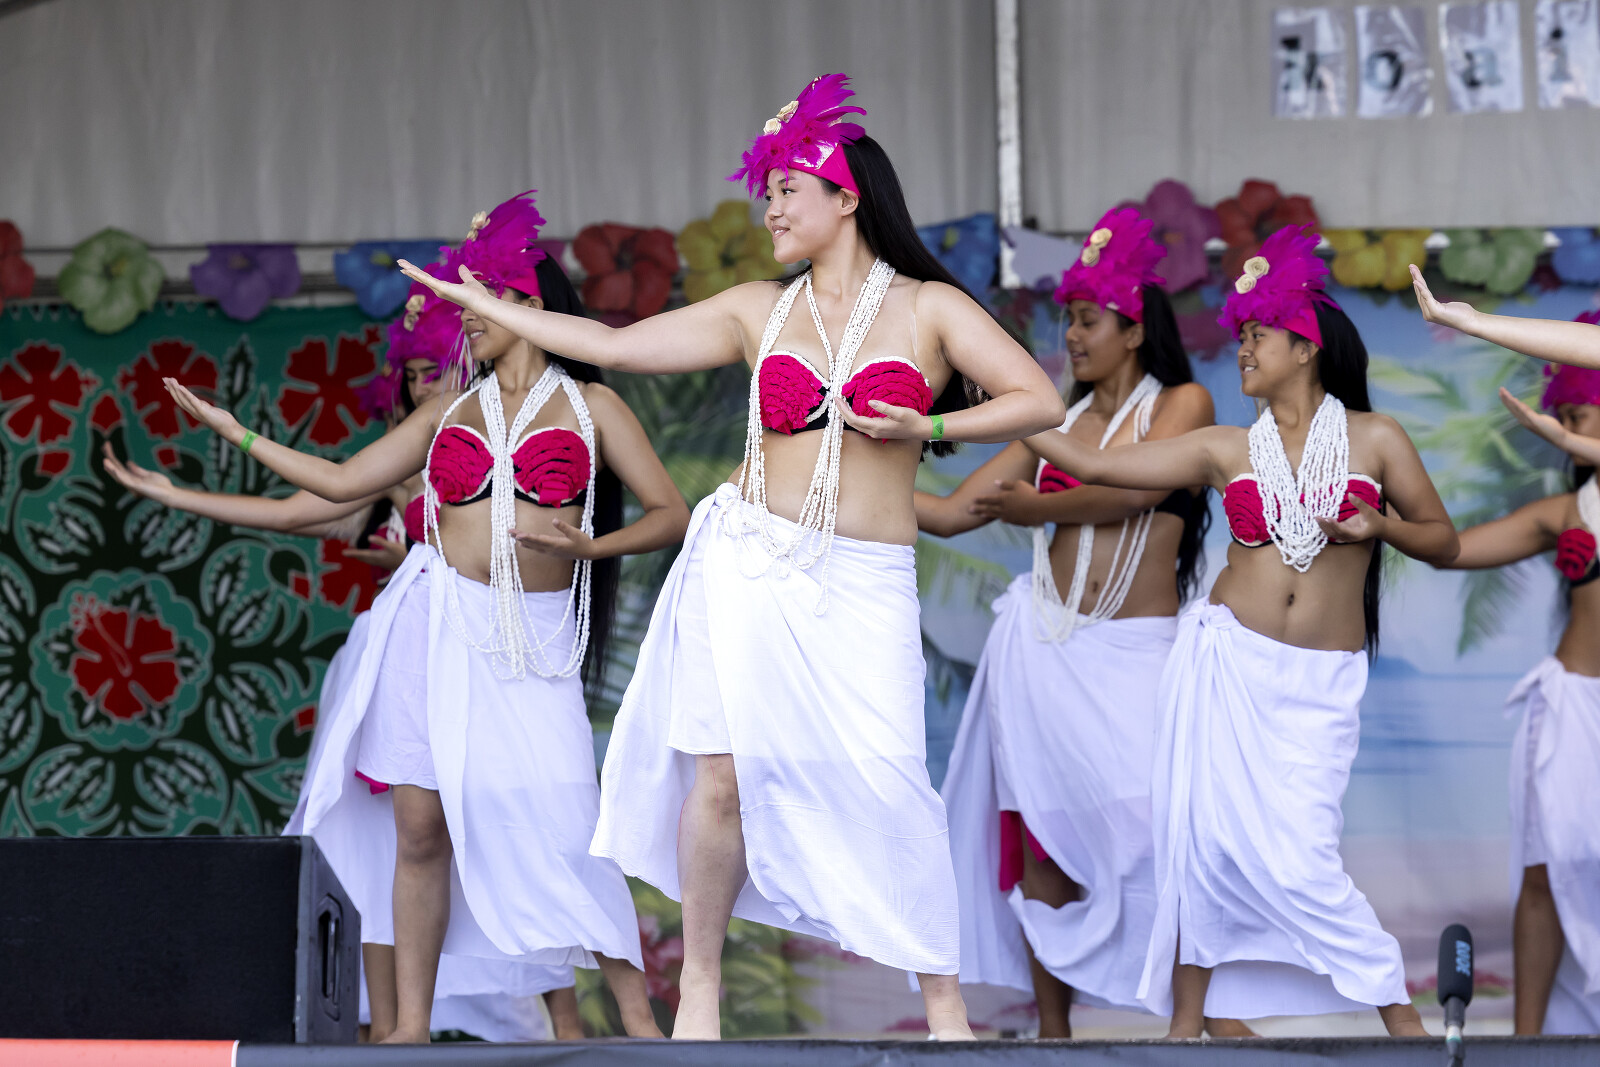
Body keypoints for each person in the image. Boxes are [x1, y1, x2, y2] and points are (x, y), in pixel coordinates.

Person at [399, 75, 1064, 1040]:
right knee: (721, 775)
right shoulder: (759, 309)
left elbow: (1038, 399)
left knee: (888, 772)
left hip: (862, 580)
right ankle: (700, 996)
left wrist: (929, 423)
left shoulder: (929, 308)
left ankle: (944, 1005)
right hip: (747, 560)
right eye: (769, 193)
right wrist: (490, 304)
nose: (772, 209)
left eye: (789, 189)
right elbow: (618, 347)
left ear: (846, 197)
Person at [162, 191, 687, 1043]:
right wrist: (239, 434)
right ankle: (408, 1026)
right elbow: (341, 482)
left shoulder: (594, 408)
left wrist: (593, 547)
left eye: (479, 299)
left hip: (535, 637)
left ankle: (636, 1019)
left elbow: (672, 513)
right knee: (417, 825)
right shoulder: (448, 413)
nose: (463, 316)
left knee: (563, 816)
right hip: (439, 624)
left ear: (528, 303)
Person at [101, 285, 587, 1042]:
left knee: (534, 815)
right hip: (407, 655)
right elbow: (303, 508)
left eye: (437, 366)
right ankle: (393, 1027)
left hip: (506, 646)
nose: (425, 383)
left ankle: (581, 1024)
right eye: (414, 374)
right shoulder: (412, 450)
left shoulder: (548, 422)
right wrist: (182, 496)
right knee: (389, 836)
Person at [1026, 225, 1453, 1037]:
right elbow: (1103, 468)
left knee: (1301, 857)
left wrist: (1381, 527)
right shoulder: (1227, 448)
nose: (1243, 349)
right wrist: (1008, 412)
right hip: (1228, 664)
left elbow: (1444, 540)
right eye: (1243, 335)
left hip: (1317, 681)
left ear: (1307, 346)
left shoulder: (1377, 438)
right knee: (1203, 842)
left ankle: (1404, 1023)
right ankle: (1186, 1027)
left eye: (1258, 335)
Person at [918, 207, 1235, 1036]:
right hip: (1046, 651)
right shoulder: (1052, 420)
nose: (1071, 334)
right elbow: (951, 514)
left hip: (1137, 653)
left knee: (1159, 830)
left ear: (1134, 330)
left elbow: (1139, 489)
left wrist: (1036, 508)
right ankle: (1054, 1032)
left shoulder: (1185, 401)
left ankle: (1202, 1020)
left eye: (1088, 319)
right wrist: (851, 474)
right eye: (1068, 318)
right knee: (1045, 831)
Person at [1414, 290, 1600, 1034]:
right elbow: (1454, 549)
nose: (1570, 431)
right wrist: (1390, 517)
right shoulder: (1563, 513)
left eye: (1583, 416)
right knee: (1544, 872)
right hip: (1573, 706)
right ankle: (1527, 1043)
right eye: (1568, 417)